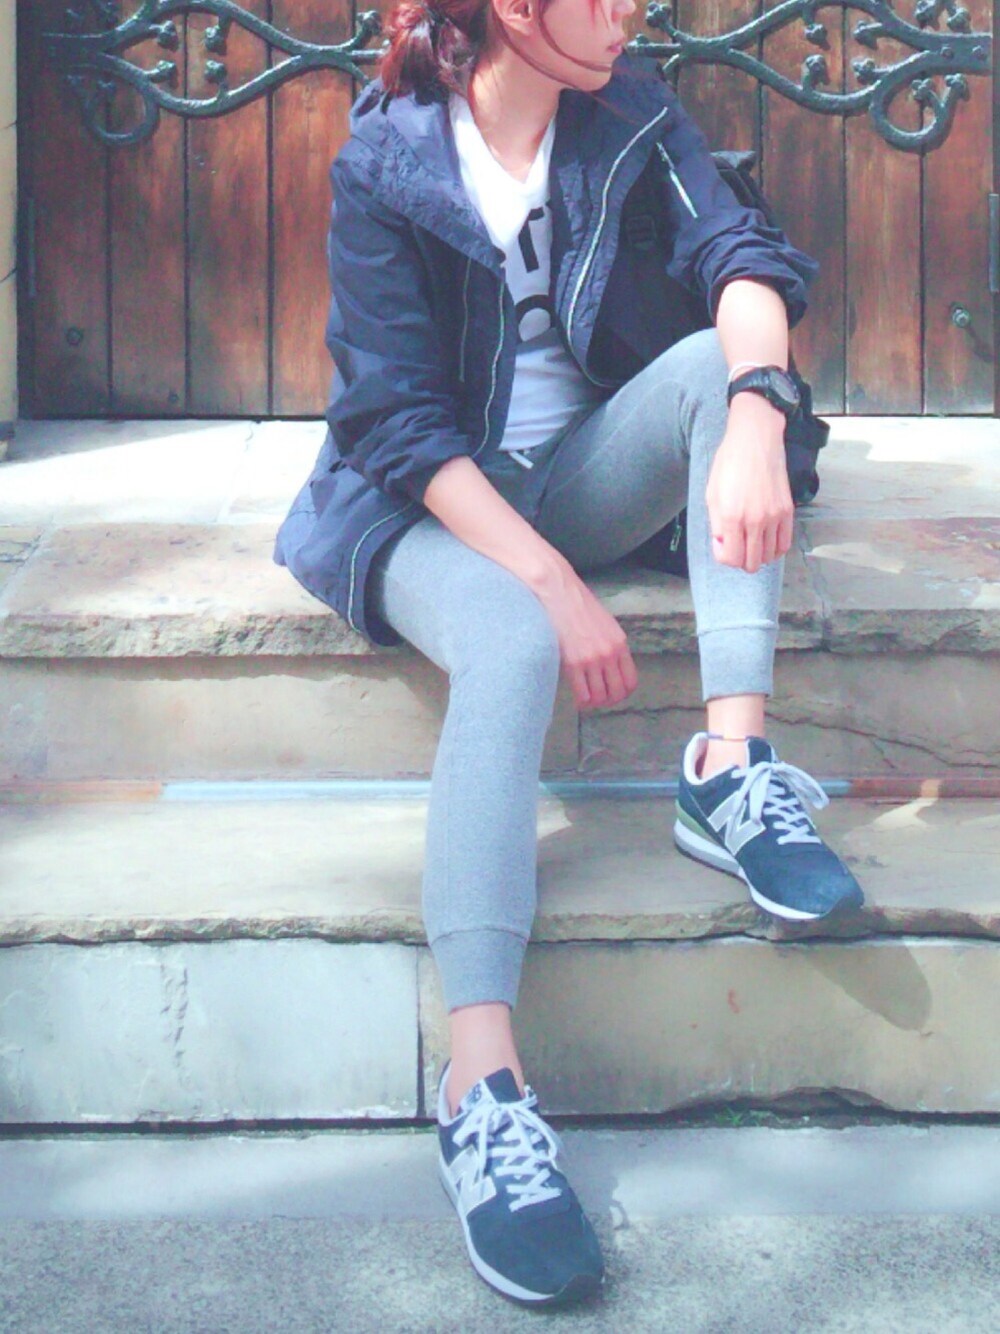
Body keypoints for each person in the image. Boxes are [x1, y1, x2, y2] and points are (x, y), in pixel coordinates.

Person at [274, 0, 865, 1307]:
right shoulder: (390, 161)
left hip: (575, 472)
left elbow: (739, 251)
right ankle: (481, 1085)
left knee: (720, 365)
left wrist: (758, 414)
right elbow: (395, 420)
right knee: (505, 641)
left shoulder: (626, 110)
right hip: (427, 504)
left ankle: (729, 765)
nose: (629, 9)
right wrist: (544, 582)